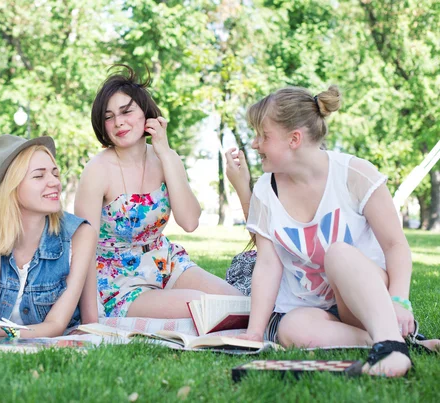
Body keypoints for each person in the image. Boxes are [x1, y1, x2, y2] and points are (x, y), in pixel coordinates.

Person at [225, 85, 417, 377]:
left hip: (365, 301)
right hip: (319, 313)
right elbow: (266, 264)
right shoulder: (266, 189)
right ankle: (389, 344)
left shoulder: (355, 174)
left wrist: (399, 301)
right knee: (290, 328)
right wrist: (254, 332)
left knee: (338, 253)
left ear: (294, 139)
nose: (254, 144)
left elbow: (395, 245)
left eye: (263, 136)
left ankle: (390, 341)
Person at [75, 65, 241, 318]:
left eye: (126, 111)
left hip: (163, 260)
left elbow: (190, 222)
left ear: (146, 114)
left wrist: (165, 153)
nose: (118, 122)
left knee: (236, 303)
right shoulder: (97, 170)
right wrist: (90, 318)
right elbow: (83, 248)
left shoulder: (166, 158)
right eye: (108, 117)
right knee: (201, 306)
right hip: (116, 278)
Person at [0, 134, 97, 344]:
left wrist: (2, 332)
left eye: (55, 174)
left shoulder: (80, 235)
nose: (55, 182)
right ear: (11, 188)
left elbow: (56, 324)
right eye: (39, 176)